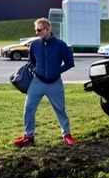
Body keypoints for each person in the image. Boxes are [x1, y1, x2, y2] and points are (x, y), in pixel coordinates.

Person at [13, 18, 76, 147]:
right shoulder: (35, 45)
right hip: (37, 82)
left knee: (60, 109)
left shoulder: (61, 45)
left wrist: (56, 71)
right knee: (29, 108)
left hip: (55, 83)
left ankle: (67, 135)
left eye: (39, 30)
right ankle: (28, 136)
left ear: (48, 29)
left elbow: (70, 63)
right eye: (36, 30)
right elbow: (32, 61)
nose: (37, 33)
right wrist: (37, 69)